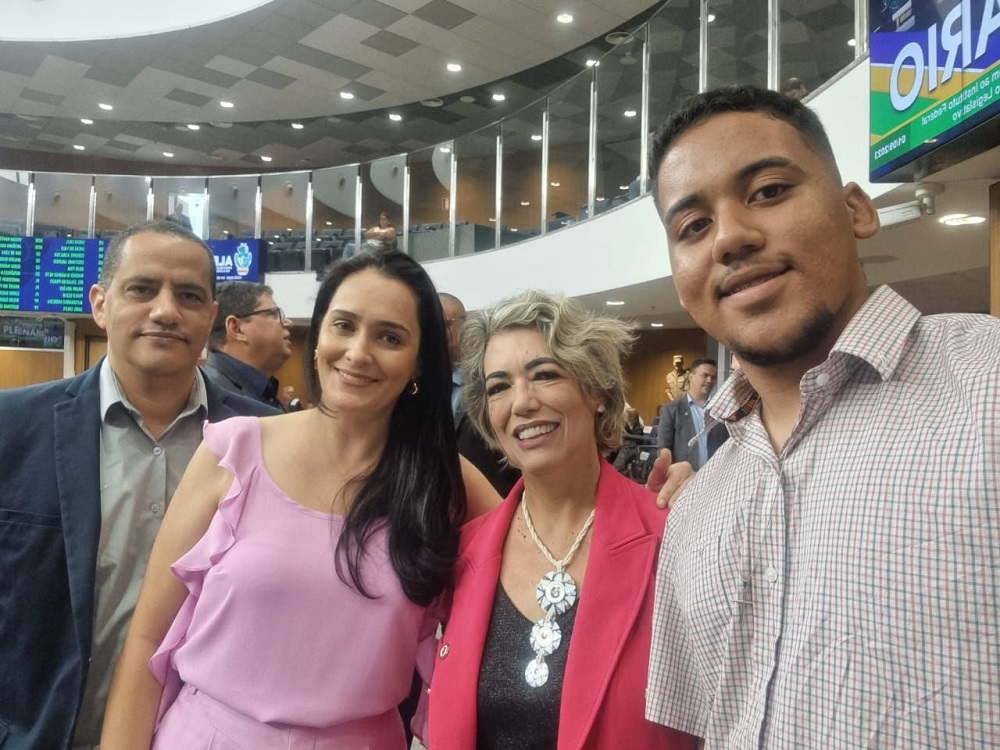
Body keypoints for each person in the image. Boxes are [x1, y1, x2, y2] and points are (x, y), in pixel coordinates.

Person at [644, 85, 1000, 746]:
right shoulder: (696, 511)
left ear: (857, 209)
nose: (730, 238)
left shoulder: (988, 389)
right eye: (693, 227)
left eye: (769, 191)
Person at [100, 249, 499, 749]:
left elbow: (543, 553)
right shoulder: (233, 450)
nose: (358, 352)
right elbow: (146, 640)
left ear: (419, 361)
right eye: (344, 325)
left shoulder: (443, 483)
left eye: (389, 337)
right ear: (317, 339)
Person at [0, 221, 277, 750]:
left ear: (211, 318)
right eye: (142, 289)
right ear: (100, 305)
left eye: (190, 296)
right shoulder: (12, 429)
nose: (167, 311)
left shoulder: (265, 440)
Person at [428, 290, 697, 750]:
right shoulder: (464, 554)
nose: (522, 403)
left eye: (545, 375)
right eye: (499, 387)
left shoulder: (673, 536)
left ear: (594, 388)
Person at [440, 291, 521, 497]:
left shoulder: (492, 376)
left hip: (500, 499)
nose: (435, 333)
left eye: (444, 324)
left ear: (465, 326)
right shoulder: (414, 387)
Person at [202, 281, 293, 411]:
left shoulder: (261, 390)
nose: (288, 323)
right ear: (236, 328)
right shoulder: (213, 397)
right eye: (274, 314)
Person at [655, 358, 728, 471]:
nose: (709, 380)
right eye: (705, 375)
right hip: (684, 481)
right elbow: (664, 449)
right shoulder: (671, 410)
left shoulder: (720, 411)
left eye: (713, 377)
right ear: (690, 377)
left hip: (715, 480)